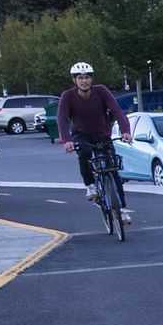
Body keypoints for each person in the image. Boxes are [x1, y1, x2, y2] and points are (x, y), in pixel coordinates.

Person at [56, 61, 132, 223]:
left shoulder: (101, 91)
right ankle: (90, 185)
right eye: (80, 78)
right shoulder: (68, 96)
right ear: (74, 81)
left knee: (113, 170)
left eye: (87, 77)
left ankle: (122, 209)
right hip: (81, 134)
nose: (84, 81)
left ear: (92, 79)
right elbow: (62, 119)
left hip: (102, 133)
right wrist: (66, 140)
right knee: (84, 153)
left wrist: (126, 130)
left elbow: (117, 111)